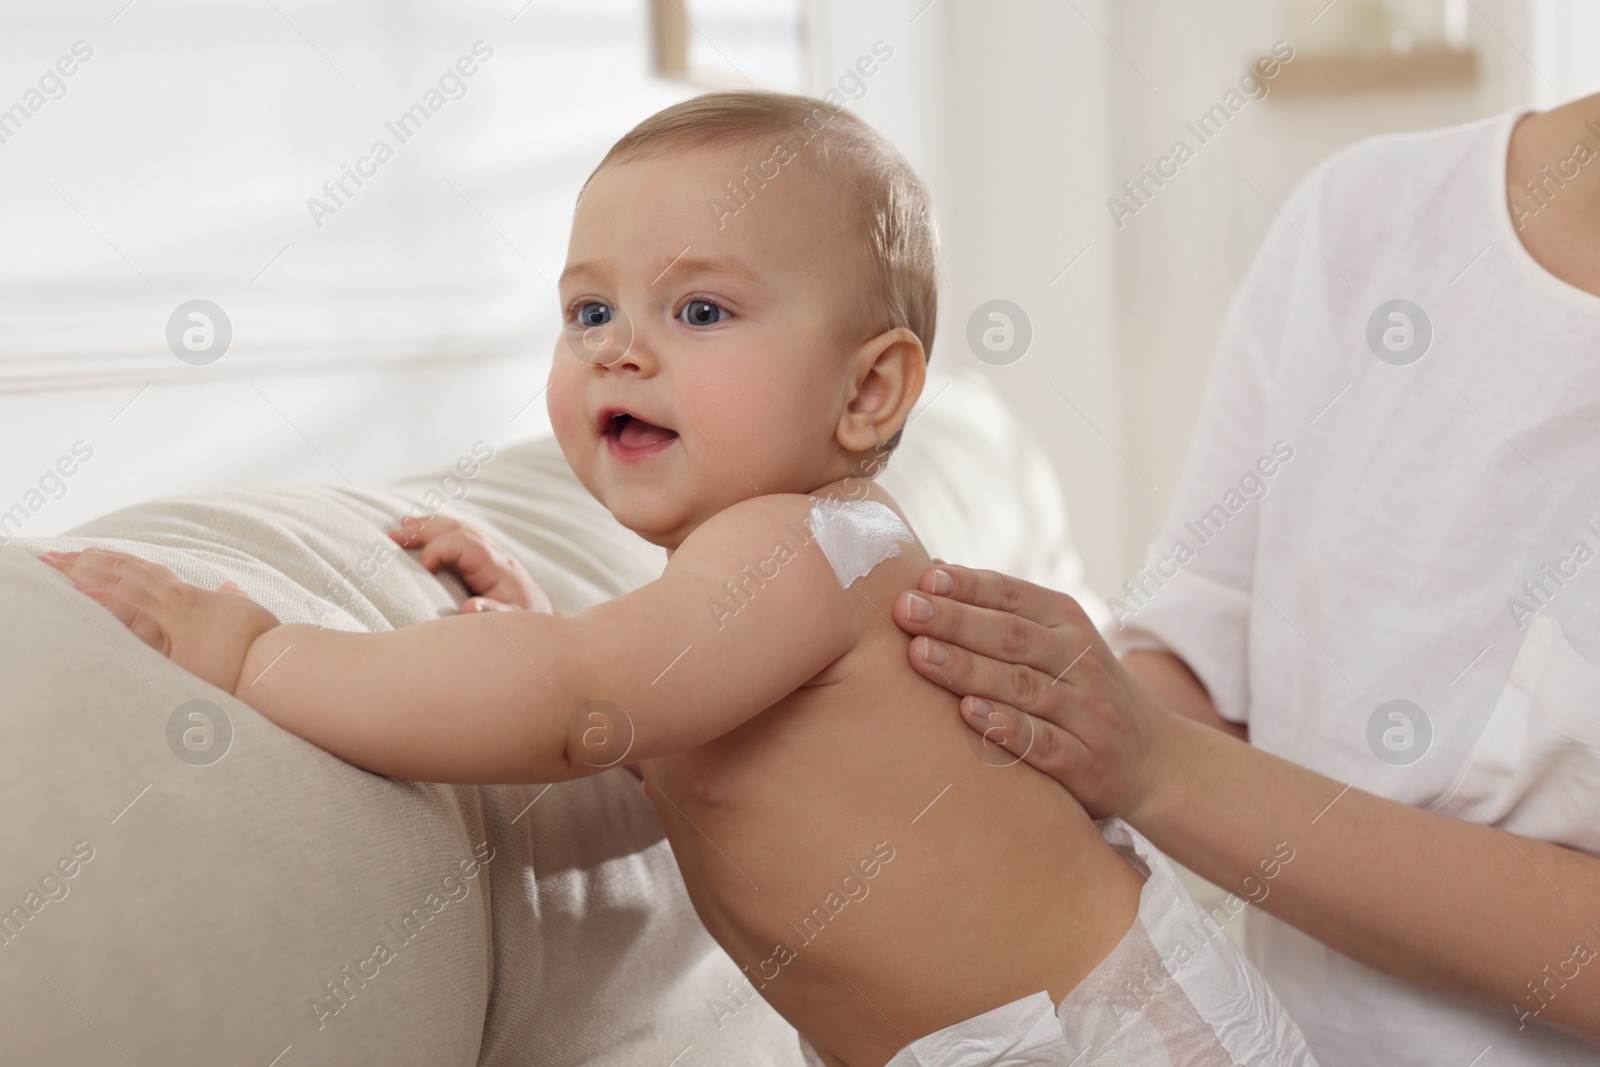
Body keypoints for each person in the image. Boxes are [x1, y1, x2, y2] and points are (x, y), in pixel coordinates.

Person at [41, 92, 1316, 1066]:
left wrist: (253, 652)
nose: (621, 353)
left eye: (699, 312)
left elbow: (569, 701)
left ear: (867, 390)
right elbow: (637, 728)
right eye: (588, 311)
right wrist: (540, 631)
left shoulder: (807, 548)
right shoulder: (740, 593)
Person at [890, 91, 1600, 1064]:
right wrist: (998, 739)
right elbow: (1198, 667)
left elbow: (1169, 753)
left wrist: (1153, 763)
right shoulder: (1364, 215)